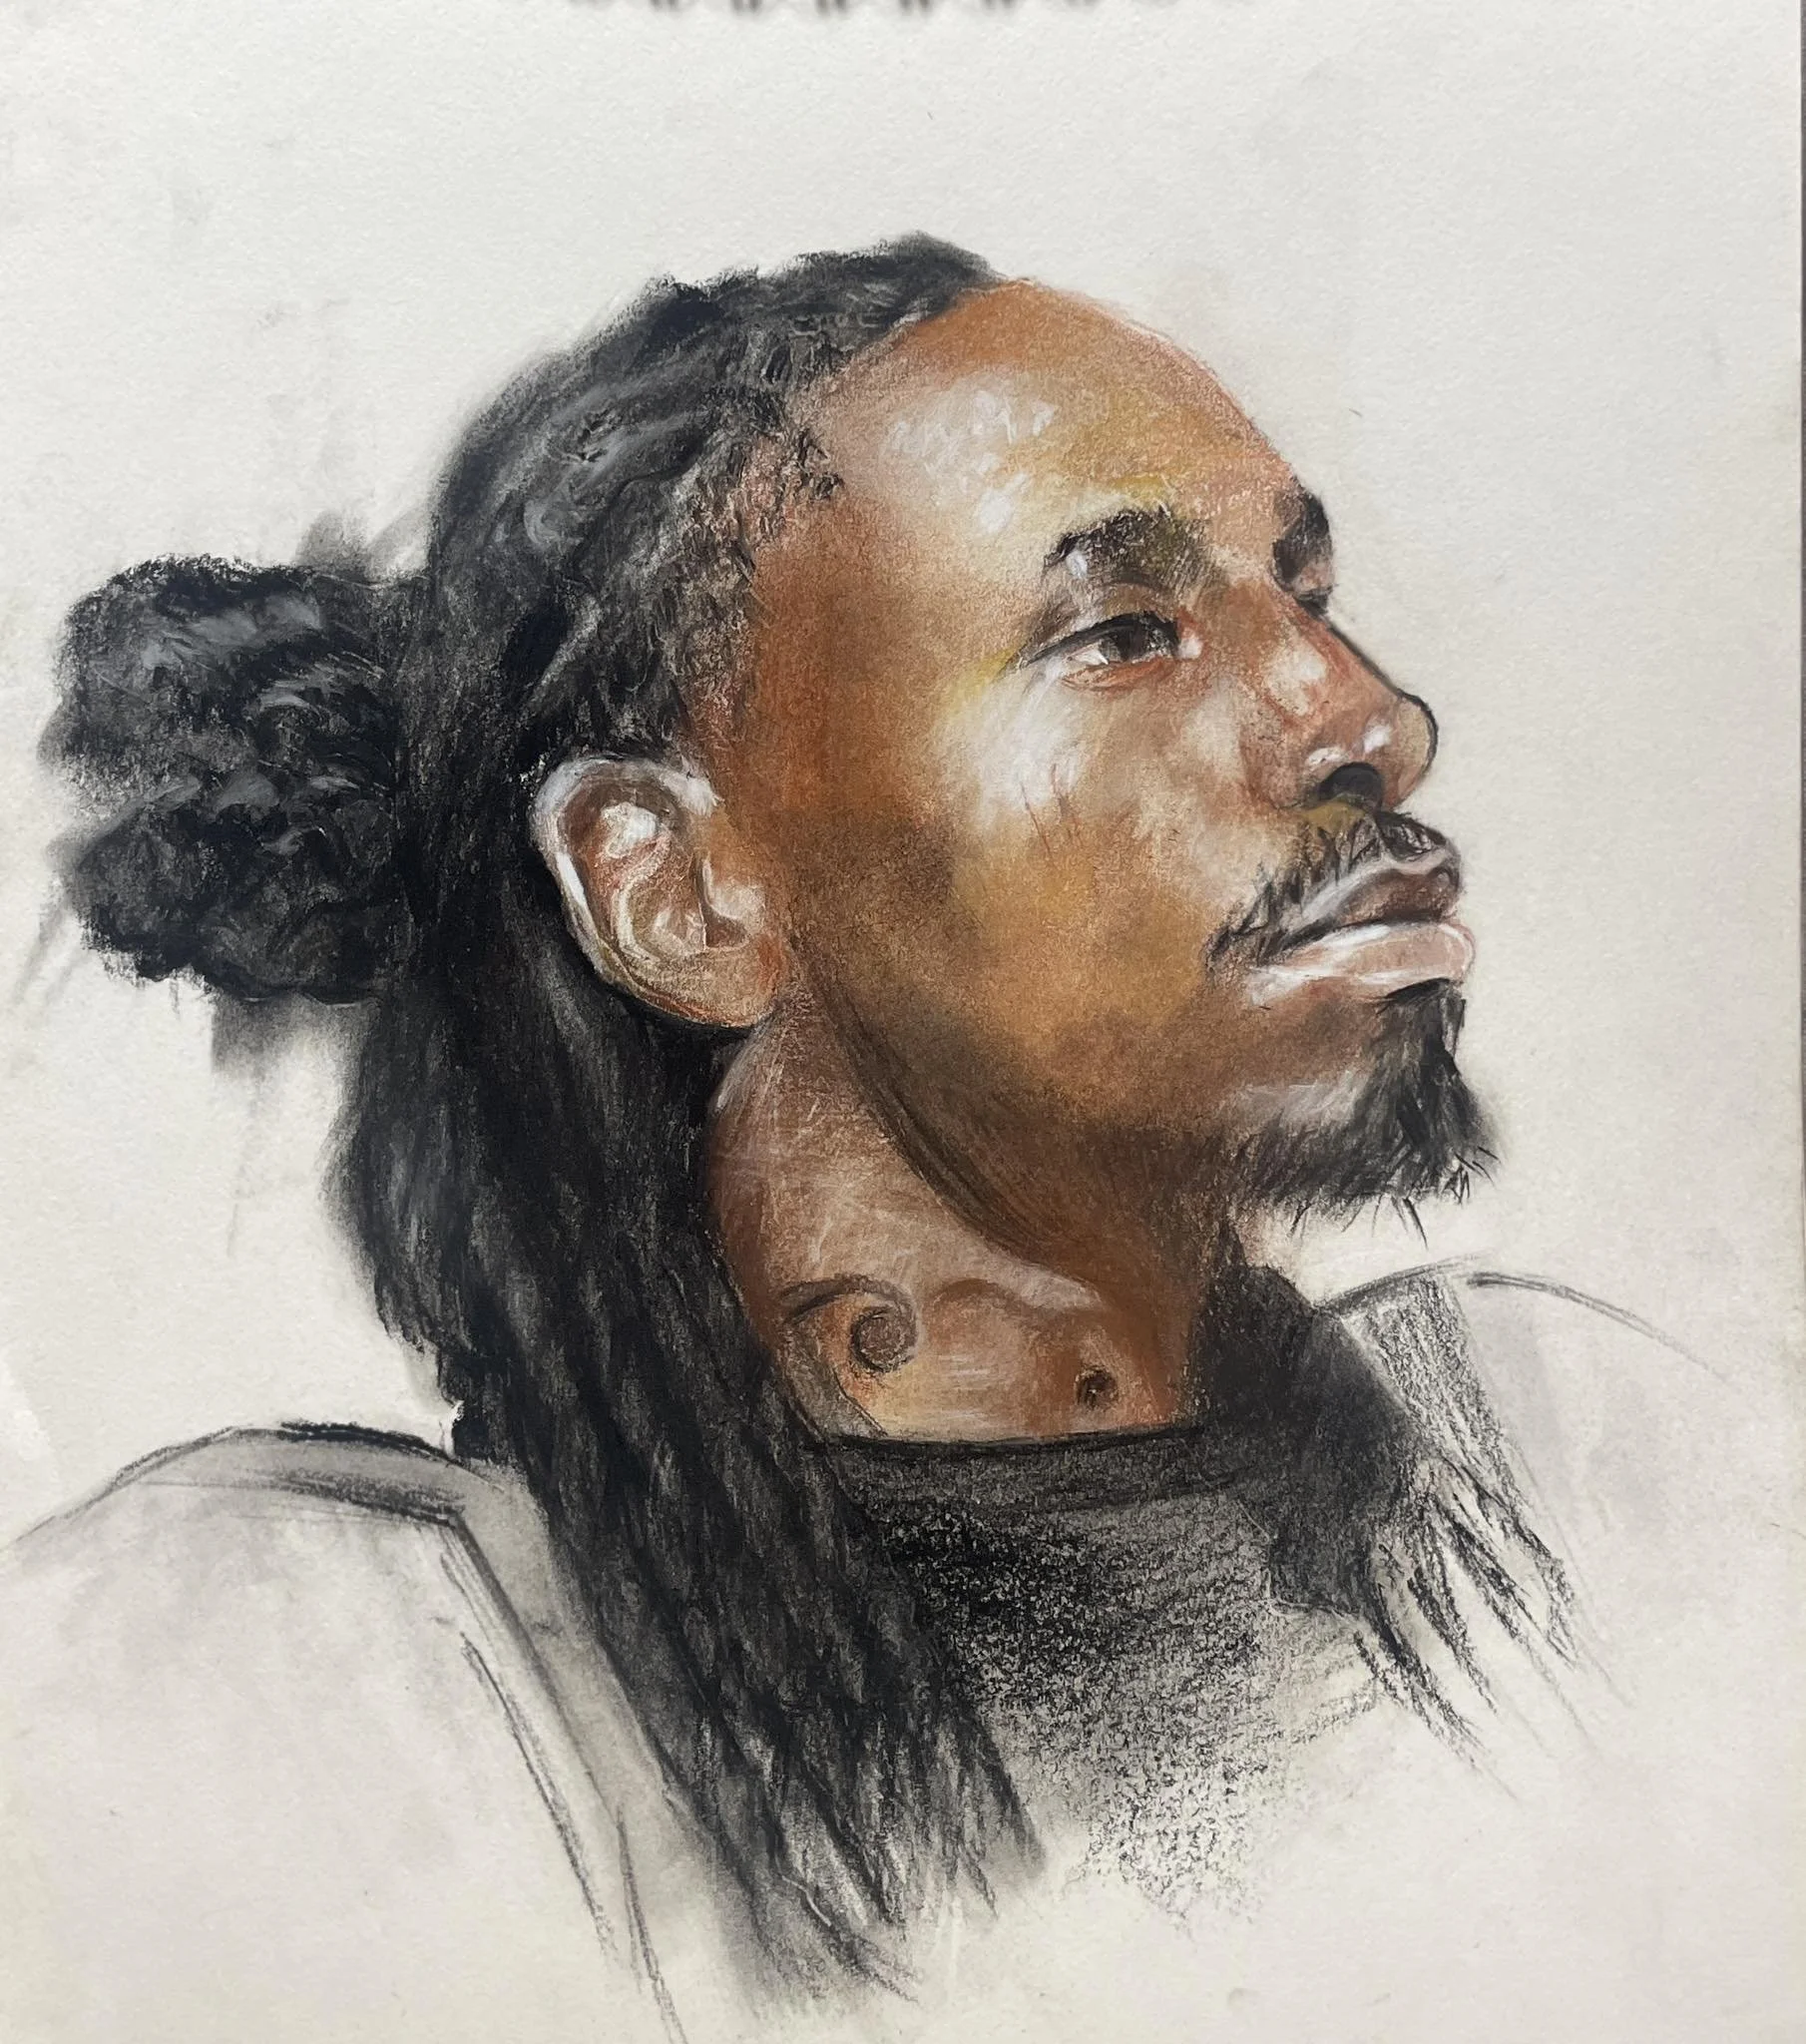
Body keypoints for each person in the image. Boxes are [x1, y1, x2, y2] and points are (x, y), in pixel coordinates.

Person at [0, 240, 1768, 2042]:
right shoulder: (304, 1687)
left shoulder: (1589, 1469)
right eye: (1122, 633)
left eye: (1303, 596)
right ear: (676, 890)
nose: (1370, 720)